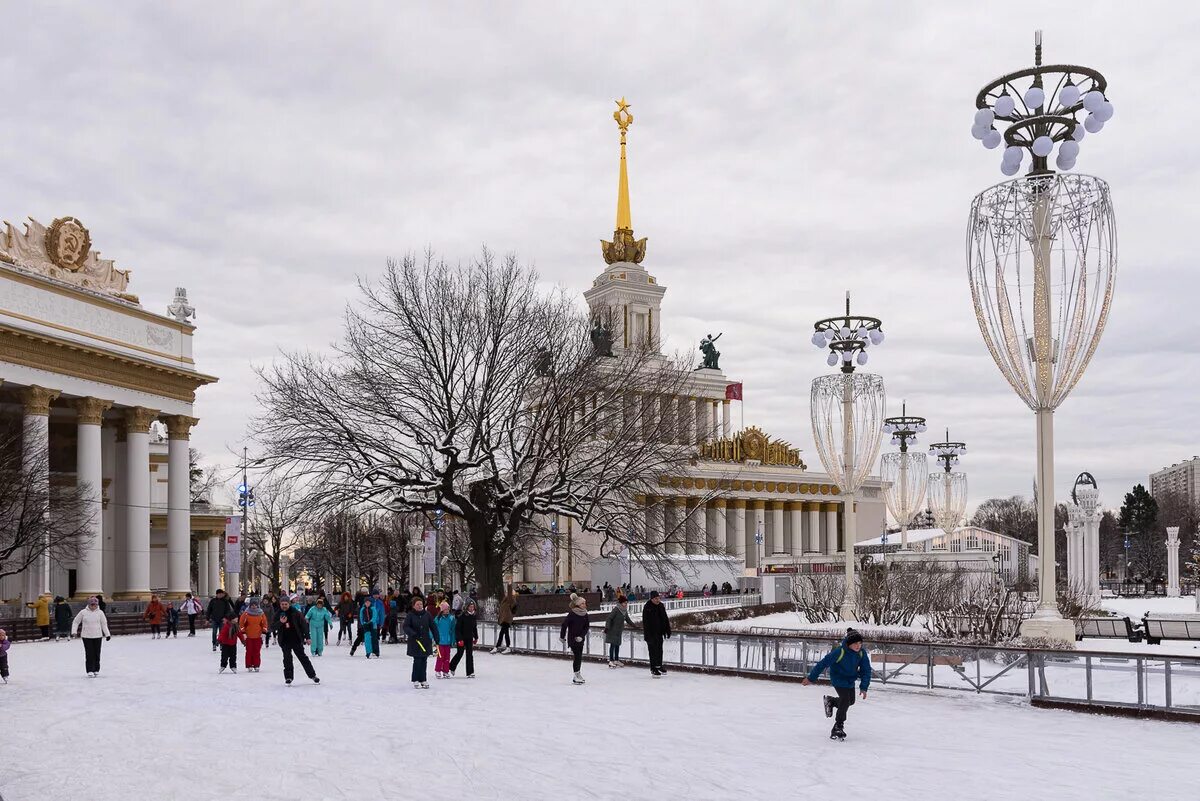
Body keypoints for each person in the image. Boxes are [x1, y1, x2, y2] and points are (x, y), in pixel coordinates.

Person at [802, 628, 871, 741]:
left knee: (850, 701)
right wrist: (811, 678)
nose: (858, 645)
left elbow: (866, 670)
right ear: (849, 644)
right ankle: (838, 727)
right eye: (855, 643)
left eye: (860, 643)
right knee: (845, 700)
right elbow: (822, 664)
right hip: (838, 679)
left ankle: (831, 701)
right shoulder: (839, 652)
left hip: (850, 680)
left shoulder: (861, 653)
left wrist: (864, 687)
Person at [271, 596, 320, 685]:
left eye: (286, 604)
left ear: (289, 604)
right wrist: (280, 622)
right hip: (284, 640)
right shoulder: (277, 614)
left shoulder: (295, 613)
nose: (284, 606)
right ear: (280, 604)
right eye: (282, 604)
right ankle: (288, 677)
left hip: (296, 639)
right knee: (287, 659)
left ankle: (312, 675)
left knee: (303, 658)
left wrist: (307, 637)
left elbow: (304, 625)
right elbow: (272, 627)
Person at [71, 596, 111, 677]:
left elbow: (104, 624)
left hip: (97, 636)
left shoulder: (100, 613)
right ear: (89, 604)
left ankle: (96, 669)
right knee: (89, 653)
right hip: (86, 636)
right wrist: (74, 632)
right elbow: (75, 622)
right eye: (92, 604)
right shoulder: (83, 612)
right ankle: (89, 670)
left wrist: (107, 634)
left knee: (97, 653)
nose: (93, 606)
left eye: (95, 604)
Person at [403, 596, 434, 689]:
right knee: (417, 660)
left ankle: (423, 679)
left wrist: (436, 638)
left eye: (421, 604)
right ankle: (415, 679)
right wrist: (413, 634)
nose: (420, 606)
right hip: (415, 641)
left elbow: (433, 626)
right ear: (413, 606)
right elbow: (406, 626)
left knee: (424, 660)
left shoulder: (427, 614)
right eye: (417, 604)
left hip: (425, 641)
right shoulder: (410, 615)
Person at [559, 593, 590, 685]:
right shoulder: (572, 614)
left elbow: (586, 627)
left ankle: (577, 673)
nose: (585, 605)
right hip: (573, 639)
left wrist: (582, 636)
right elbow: (564, 625)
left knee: (579, 656)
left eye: (585, 603)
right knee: (577, 656)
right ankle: (576, 675)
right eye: (583, 603)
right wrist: (562, 636)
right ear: (578, 605)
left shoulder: (585, 614)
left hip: (580, 639)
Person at [641, 590, 671, 678]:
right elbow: (645, 623)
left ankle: (659, 665)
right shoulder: (647, 607)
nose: (658, 600)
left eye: (658, 598)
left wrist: (667, 630)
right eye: (656, 598)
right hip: (650, 633)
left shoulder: (661, 606)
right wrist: (648, 636)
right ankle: (653, 668)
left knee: (659, 649)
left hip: (659, 632)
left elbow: (665, 618)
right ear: (652, 599)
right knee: (652, 651)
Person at [449, 600, 478, 678]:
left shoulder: (474, 616)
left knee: (469, 655)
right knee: (460, 653)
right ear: (466, 607)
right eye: (470, 607)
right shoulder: (462, 616)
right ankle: (451, 666)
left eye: (473, 607)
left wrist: (476, 637)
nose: (471, 608)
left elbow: (474, 627)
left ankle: (470, 672)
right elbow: (457, 629)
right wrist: (459, 639)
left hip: (469, 638)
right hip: (461, 638)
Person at [239, 597, 269, 672]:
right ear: (250, 605)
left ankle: (256, 665)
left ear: (258, 605)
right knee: (249, 651)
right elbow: (241, 623)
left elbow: (264, 623)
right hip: (248, 636)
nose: (254, 606)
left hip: (258, 635)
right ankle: (249, 665)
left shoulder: (261, 614)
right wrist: (243, 633)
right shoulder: (246, 613)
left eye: (255, 605)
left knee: (256, 651)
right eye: (252, 605)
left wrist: (264, 632)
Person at [603, 596, 634, 668]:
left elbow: (628, 620)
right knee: (613, 645)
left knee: (617, 645)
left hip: (619, 631)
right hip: (612, 630)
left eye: (626, 603)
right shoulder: (616, 610)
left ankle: (616, 660)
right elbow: (609, 618)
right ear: (621, 603)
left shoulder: (624, 611)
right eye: (624, 603)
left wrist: (634, 626)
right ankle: (611, 660)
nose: (626, 604)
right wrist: (607, 627)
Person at [432, 601, 456, 678]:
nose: (447, 611)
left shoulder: (451, 618)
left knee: (447, 657)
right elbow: (433, 628)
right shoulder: (438, 619)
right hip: (440, 641)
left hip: (448, 641)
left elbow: (453, 630)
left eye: (448, 609)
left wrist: (453, 640)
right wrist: (433, 638)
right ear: (442, 610)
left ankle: (445, 671)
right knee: (440, 656)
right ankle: (438, 670)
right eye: (445, 609)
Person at [491, 587, 516, 654]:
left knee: (503, 634)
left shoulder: (510, 600)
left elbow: (512, 610)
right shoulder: (506, 600)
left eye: (507, 592)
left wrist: (509, 584)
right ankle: (502, 647)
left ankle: (499, 647)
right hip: (504, 619)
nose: (505, 593)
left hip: (506, 619)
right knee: (503, 633)